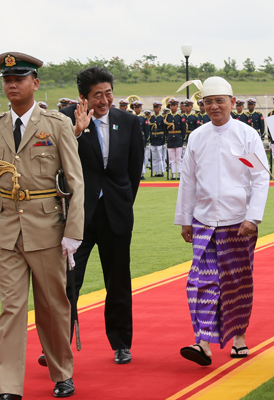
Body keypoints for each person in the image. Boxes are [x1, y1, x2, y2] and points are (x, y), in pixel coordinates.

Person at [0, 51, 84, 398]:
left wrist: (73, 234)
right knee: (10, 308)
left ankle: (62, 372)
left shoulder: (57, 125)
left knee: (52, 306)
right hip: (7, 230)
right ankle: (8, 385)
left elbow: (76, 183)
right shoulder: (0, 126)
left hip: (48, 228)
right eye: (7, 80)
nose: (11, 85)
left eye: (18, 79)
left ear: (35, 83)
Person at [175, 76, 269, 365]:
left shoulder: (246, 135)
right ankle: (202, 342)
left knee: (236, 282)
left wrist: (253, 217)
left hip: (238, 222)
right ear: (202, 105)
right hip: (203, 222)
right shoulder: (197, 136)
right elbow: (188, 180)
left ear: (232, 102)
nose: (214, 106)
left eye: (219, 101)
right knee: (200, 282)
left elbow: (260, 177)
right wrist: (185, 219)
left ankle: (238, 337)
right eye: (208, 102)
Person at [59, 66, 144, 365]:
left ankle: (121, 343)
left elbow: (134, 171)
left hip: (116, 214)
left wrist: (121, 202)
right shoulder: (65, 120)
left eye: (108, 93)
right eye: (97, 96)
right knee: (68, 282)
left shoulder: (129, 122)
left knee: (118, 281)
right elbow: (57, 162)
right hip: (77, 217)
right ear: (83, 97)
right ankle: (57, 346)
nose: (104, 100)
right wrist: (77, 131)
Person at [164, 98, 186, 180]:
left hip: (178, 138)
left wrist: (183, 140)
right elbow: (165, 129)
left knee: (178, 158)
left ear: (177, 106)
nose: (172, 107)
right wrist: (166, 139)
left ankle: (179, 173)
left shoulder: (180, 116)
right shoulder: (167, 116)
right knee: (171, 158)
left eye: (174, 105)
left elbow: (183, 129)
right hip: (170, 139)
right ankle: (173, 174)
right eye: (171, 105)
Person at [149, 101, 166, 177]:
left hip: (160, 139)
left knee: (160, 156)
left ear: (159, 108)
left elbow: (164, 129)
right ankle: (156, 171)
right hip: (153, 139)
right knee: (154, 157)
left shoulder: (162, 118)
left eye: (157, 107)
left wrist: (165, 140)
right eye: (154, 107)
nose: (155, 109)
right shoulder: (151, 118)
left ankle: (161, 171)